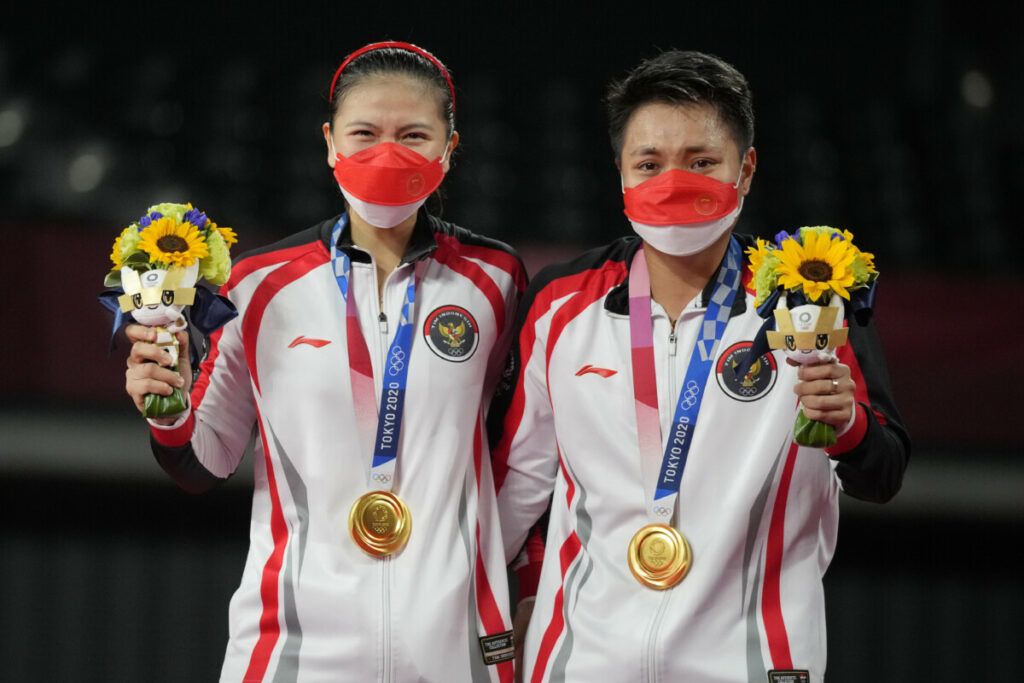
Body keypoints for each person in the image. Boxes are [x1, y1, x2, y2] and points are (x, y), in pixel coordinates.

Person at [489, 50, 910, 683]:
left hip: (751, 662)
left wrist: (845, 424)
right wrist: (506, 600)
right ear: (620, 174)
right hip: (582, 660)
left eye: (702, 161)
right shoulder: (560, 305)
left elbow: (882, 471)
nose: (673, 181)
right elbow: (512, 490)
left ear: (746, 170)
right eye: (649, 163)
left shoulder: (811, 299)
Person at [124, 41, 525, 682]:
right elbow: (205, 462)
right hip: (294, 647)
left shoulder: (495, 280)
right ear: (329, 143)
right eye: (364, 133)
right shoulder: (258, 286)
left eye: (413, 135)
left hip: (454, 644)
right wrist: (165, 410)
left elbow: (518, 456)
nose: (386, 153)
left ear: (450, 147)